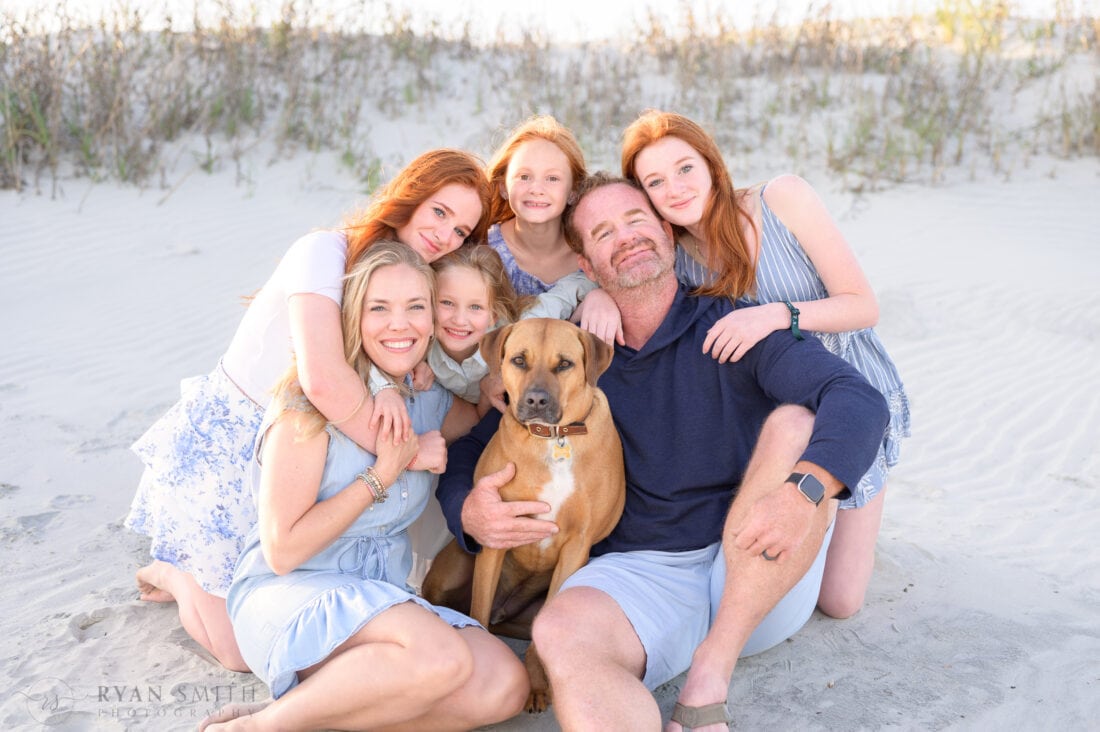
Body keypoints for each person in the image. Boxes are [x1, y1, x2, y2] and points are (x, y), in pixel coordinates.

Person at [435, 173, 889, 731]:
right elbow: (476, 446)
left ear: (670, 237)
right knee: (559, 633)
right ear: (586, 266)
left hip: (758, 562)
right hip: (644, 577)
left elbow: (857, 398)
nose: (625, 237)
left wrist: (805, 492)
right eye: (602, 233)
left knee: (795, 422)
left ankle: (709, 677)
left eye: (636, 221)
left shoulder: (733, 325)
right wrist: (468, 511)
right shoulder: (569, 353)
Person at [125, 149, 491, 670]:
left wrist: (402, 378)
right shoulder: (326, 251)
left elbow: (392, 343)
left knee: (274, 623)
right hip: (237, 437)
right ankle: (174, 572)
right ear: (410, 195)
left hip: (315, 449)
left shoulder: (409, 278)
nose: (445, 236)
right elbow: (322, 375)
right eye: (439, 212)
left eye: (461, 231)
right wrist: (405, 453)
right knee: (234, 652)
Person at [199, 241, 526, 731]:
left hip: (380, 598)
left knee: (504, 684)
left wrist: (495, 378)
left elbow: (480, 417)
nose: (401, 325)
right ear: (354, 316)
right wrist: (382, 473)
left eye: (416, 307)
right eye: (380, 309)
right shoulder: (307, 408)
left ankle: (308, 713)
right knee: (441, 659)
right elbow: (283, 550)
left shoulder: (427, 398)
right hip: (295, 591)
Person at [621, 109, 910, 618]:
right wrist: (597, 299)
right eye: (656, 181)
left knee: (839, 602)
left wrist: (776, 316)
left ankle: (856, 502)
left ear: (711, 163)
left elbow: (863, 305)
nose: (677, 188)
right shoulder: (676, 256)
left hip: (845, 397)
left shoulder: (782, 199)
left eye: (685, 168)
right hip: (769, 410)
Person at [485, 114, 621, 341]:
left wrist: (602, 296)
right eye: (524, 176)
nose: (536, 188)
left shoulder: (592, 253)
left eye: (552, 178)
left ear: (573, 190)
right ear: (502, 187)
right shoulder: (485, 251)